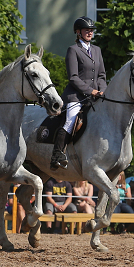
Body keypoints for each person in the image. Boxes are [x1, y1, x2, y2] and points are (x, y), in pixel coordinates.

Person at [51, 16, 107, 170]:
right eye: (86, 30)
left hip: (95, 96)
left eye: (91, 30)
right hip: (76, 96)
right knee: (71, 120)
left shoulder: (97, 50)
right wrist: (92, 91)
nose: (90, 32)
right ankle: (57, 155)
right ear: (78, 32)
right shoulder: (73, 50)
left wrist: (102, 90)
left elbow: (101, 75)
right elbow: (73, 78)